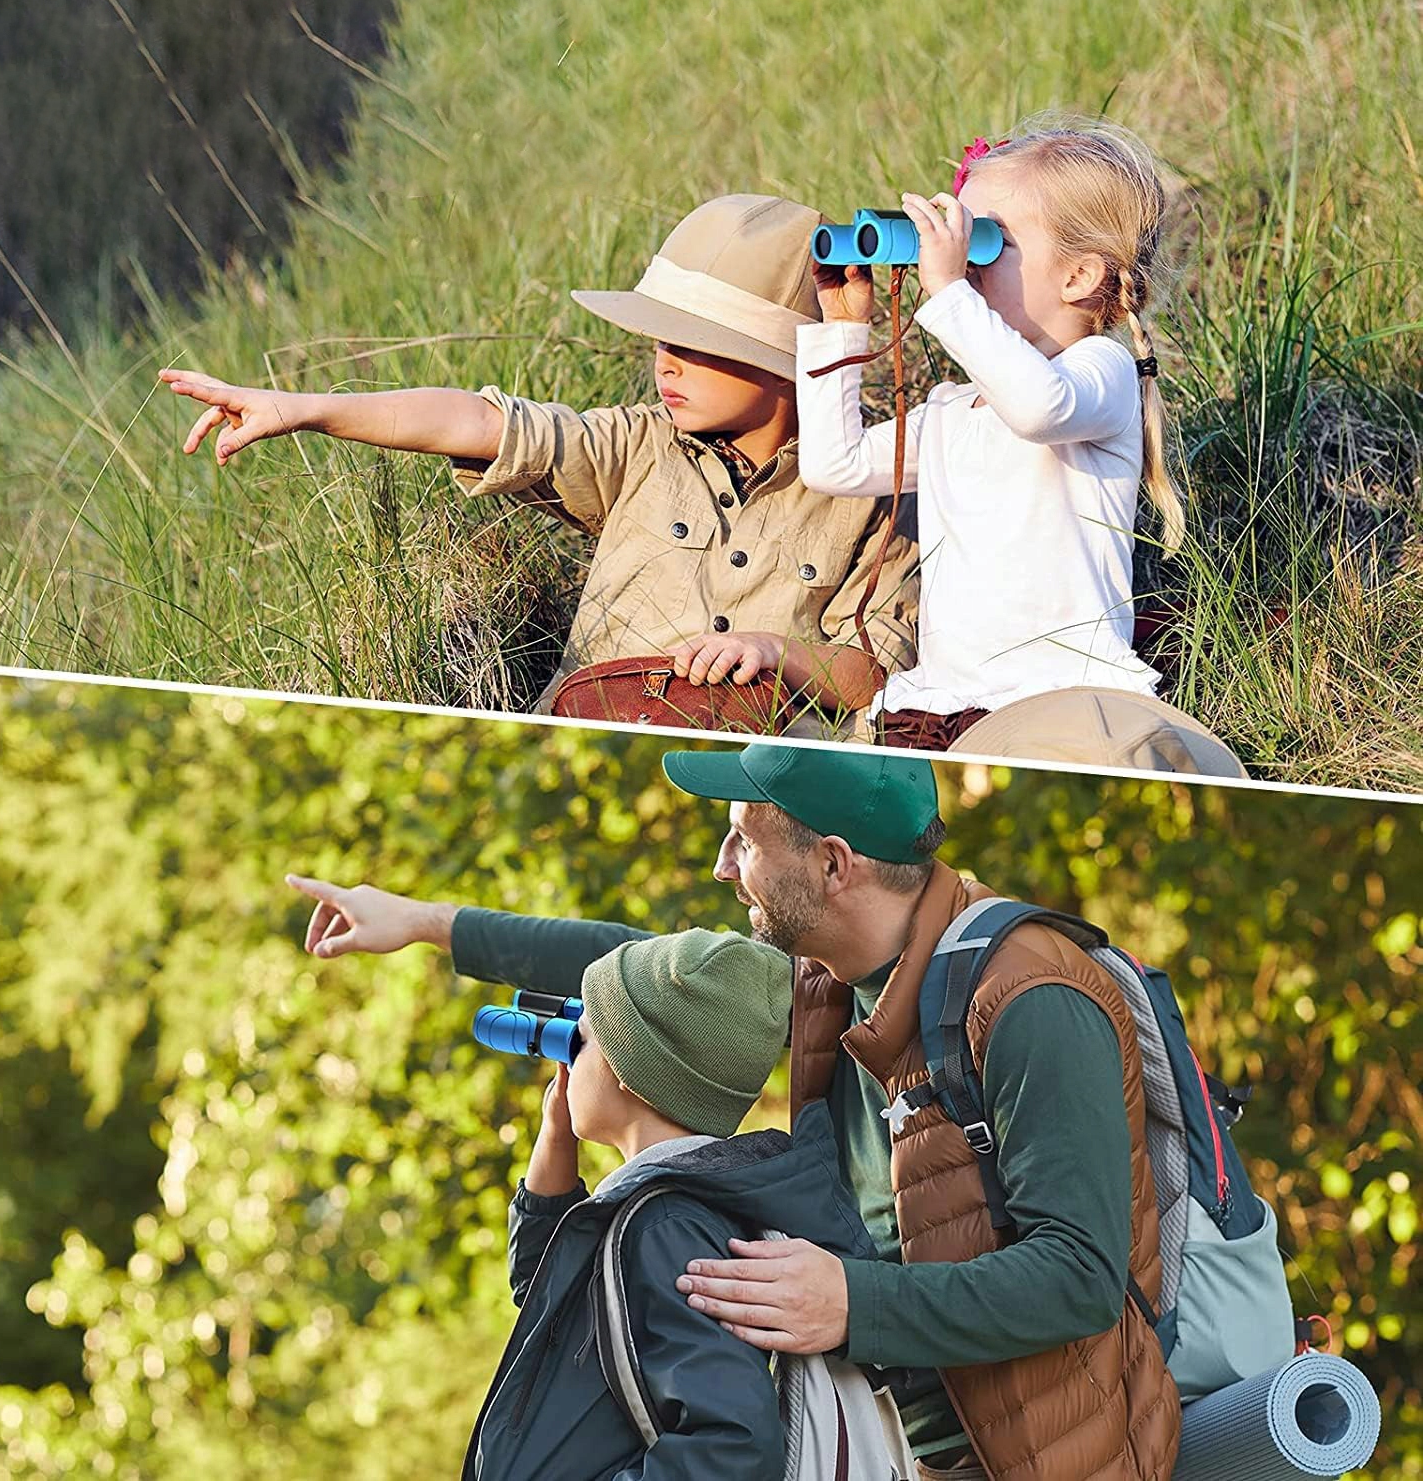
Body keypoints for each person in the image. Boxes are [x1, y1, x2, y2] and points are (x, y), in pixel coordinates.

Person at [286, 744, 1181, 1481]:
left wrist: (849, 1301)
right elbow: (651, 983)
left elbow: (1082, 1278)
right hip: (888, 1451)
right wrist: (422, 922)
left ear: (834, 863)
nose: (721, 867)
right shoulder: (830, 981)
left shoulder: (1030, 1000)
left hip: (1040, 1461)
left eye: (743, 842)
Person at [159, 195, 918, 729]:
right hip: (590, 723)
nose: (667, 365)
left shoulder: (884, 491)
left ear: (787, 360)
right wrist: (306, 410)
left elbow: (872, 678)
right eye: (660, 341)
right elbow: (479, 422)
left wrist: (772, 652)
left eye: (695, 346)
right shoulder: (636, 447)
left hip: (758, 761)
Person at [797, 117, 1185, 751]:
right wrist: (840, 331)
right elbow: (834, 465)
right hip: (947, 701)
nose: (957, 256)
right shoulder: (953, 409)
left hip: (1060, 698)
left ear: (1079, 277)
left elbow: (1038, 408)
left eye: (985, 240)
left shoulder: (1101, 370)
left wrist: (949, 290)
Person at [462, 928, 877, 1480]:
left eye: (581, 1042)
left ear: (629, 1071)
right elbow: (547, 1296)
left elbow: (732, 1449)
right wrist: (556, 1137)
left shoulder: (666, 1227)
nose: (567, 1066)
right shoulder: (671, 1208)